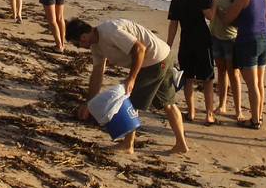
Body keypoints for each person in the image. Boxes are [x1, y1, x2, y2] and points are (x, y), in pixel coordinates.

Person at [66, 18, 189, 155]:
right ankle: (181, 144)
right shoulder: (96, 47)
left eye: (77, 45)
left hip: (154, 60)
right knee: (168, 104)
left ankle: (128, 144)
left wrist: (132, 78)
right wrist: (89, 103)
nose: (79, 47)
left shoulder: (110, 31)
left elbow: (139, 49)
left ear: (83, 38)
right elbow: (97, 73)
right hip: (163, 55)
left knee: (130, 101)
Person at [222, 0, 266, 129]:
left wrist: (218, 10)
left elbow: (227, 19)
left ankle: (254, 120)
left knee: (252, 85)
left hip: (248, 41)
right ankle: (259, 114)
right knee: (259, 82)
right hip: (265, 38)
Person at [166, 0, 216, 125]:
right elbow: (210, 16)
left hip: (186, 41)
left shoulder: (176, 0)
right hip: (202, 41)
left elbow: (173, 26)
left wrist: (168, 45)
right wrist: (214, 1)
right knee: (207, 79)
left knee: (188, 78)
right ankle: (209, 113)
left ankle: (192, 111)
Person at [208, 0, 244, 121]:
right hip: (215, 35)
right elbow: (209, 13)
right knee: (221, 71)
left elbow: (236, 19)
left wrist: (224, 16)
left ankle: (238, 110)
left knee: (234, 74)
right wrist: (218, 9)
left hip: (231, 38)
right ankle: (222, 104)